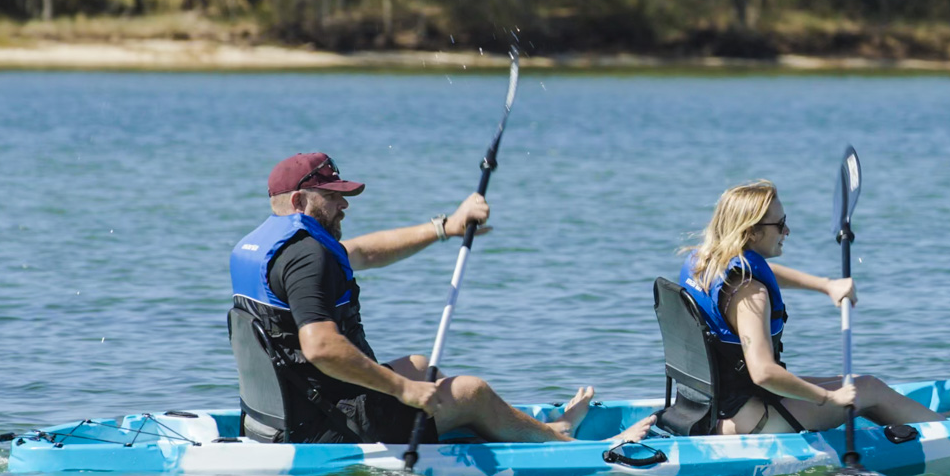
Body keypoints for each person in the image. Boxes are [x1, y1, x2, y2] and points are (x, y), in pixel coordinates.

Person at [230, 152, 654, 445]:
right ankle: (558, 437)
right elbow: (320, 347)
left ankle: (483, 426)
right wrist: (402, 391)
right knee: (471, 391)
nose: (344, 204)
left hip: (284, 410)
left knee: (419, 365)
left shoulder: (273, 246)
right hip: (326, 427)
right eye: (334, 196)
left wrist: (445, 227)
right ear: (301, 200)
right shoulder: (309, 258)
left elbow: (363, 252)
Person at [678, 179, 950, 435]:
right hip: (753, 420)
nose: (787, 231)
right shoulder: (750, 294)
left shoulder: (704, 264)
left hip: (712, 406)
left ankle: (939, 418)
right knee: (867, 389)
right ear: (752, 232)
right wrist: (829, 398)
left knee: (856, 384)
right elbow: (763, 373)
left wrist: (826, 285)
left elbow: (761, 270)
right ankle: (949, 427)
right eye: (780, 224)